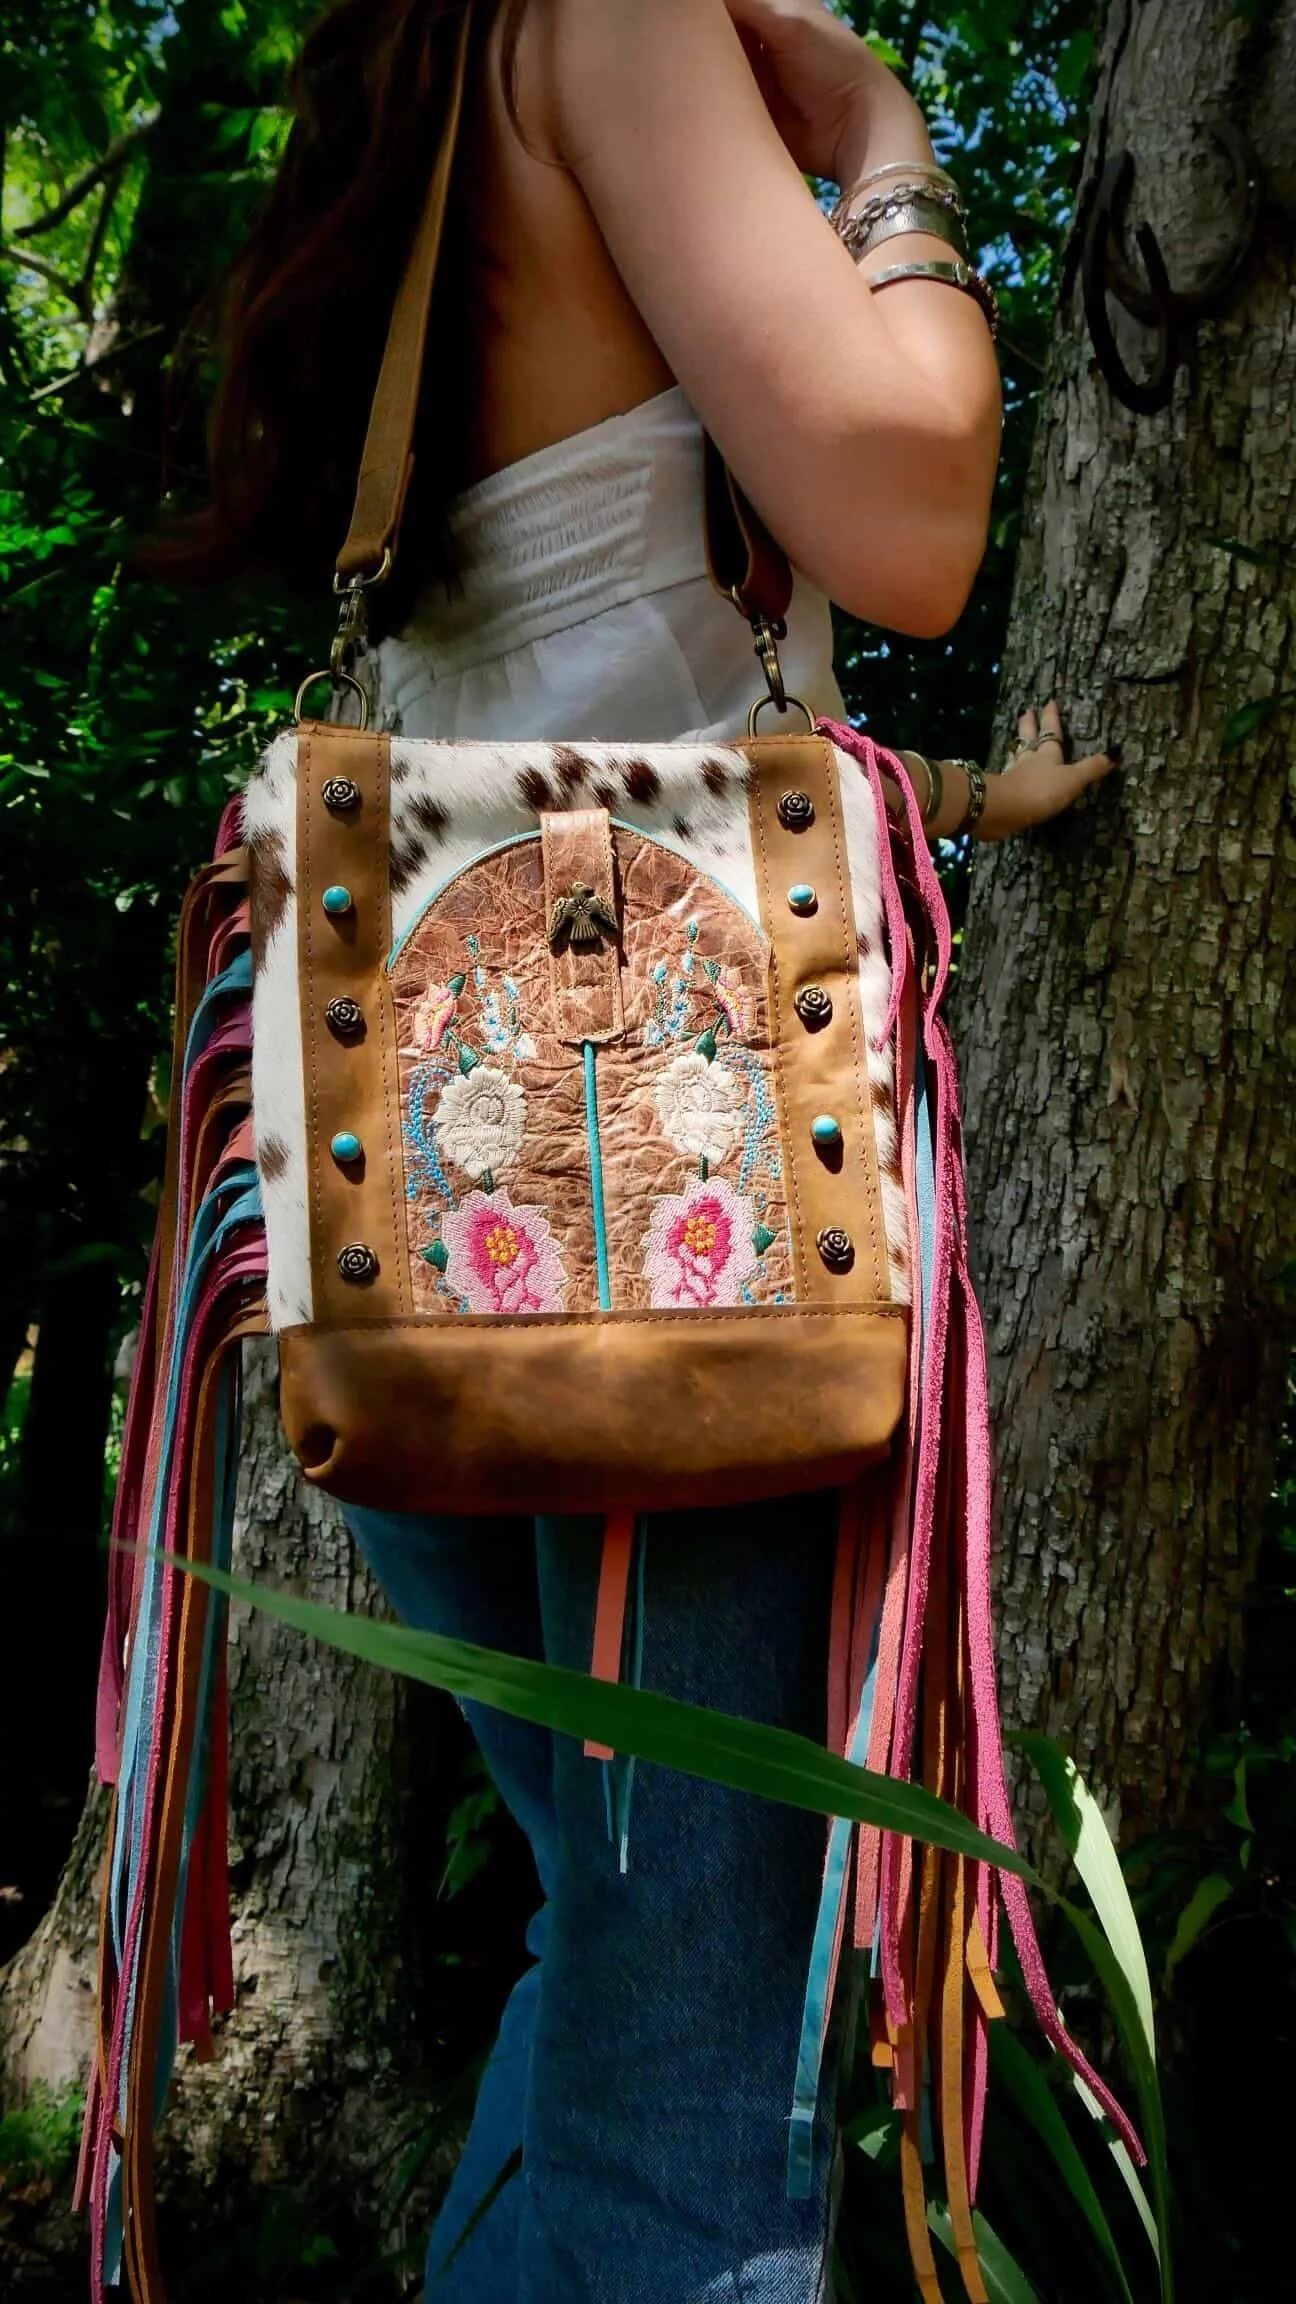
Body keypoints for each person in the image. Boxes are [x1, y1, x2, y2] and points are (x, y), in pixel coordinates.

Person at [190, 3, 1118, 2297]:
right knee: (705, 2105)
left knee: (609, 1978)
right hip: (660, 1199)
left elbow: (601, 669)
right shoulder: (609, 13)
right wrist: (887, 143)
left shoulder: (435, 75)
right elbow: (909, 514)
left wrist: (975, 800)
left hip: (411, 1182)